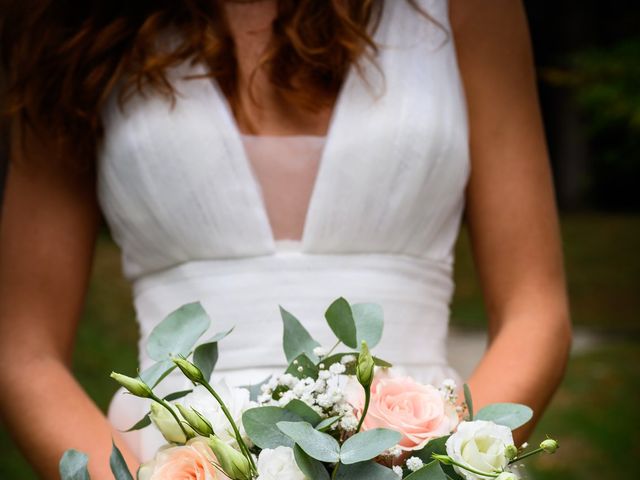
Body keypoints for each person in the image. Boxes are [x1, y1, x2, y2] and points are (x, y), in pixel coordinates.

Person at [0, 0, 572, 478]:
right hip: (167, 461)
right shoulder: (71, 25)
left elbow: (535, 308)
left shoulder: (470, 9)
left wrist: (446, 466)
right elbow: (23, 348)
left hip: (420, 455)